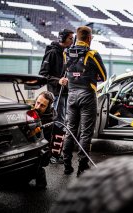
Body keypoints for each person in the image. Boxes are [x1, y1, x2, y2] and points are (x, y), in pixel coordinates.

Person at [63, 26, 107, 177]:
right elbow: (103, 77)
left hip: (71, 94)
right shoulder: (92, 54)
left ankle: (67, 165)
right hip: (87, 95)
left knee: (70, 131)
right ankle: (82, 167)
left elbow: (67, 72)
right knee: (85, 133)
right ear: (89, 38)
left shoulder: (66, 52)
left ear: (77, 37)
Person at [39, 28, 74, 164]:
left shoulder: (66, 53)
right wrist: (58, 80)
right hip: (55, 94)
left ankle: (56, 153)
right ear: (63, 38)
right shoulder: (53, 53)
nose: (72, 40)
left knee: (62, 122)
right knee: (57, 122)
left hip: (65, 93)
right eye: (70, 38)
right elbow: (43, 74)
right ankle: (52, 154)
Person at [30, 91, 56, 189]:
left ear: (48, 108)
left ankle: (40, 176)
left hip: (41, 151)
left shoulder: (49, 120)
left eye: (42, 106)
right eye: (37, 103)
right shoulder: (32, 110)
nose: (38, 107)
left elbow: (39, 140)